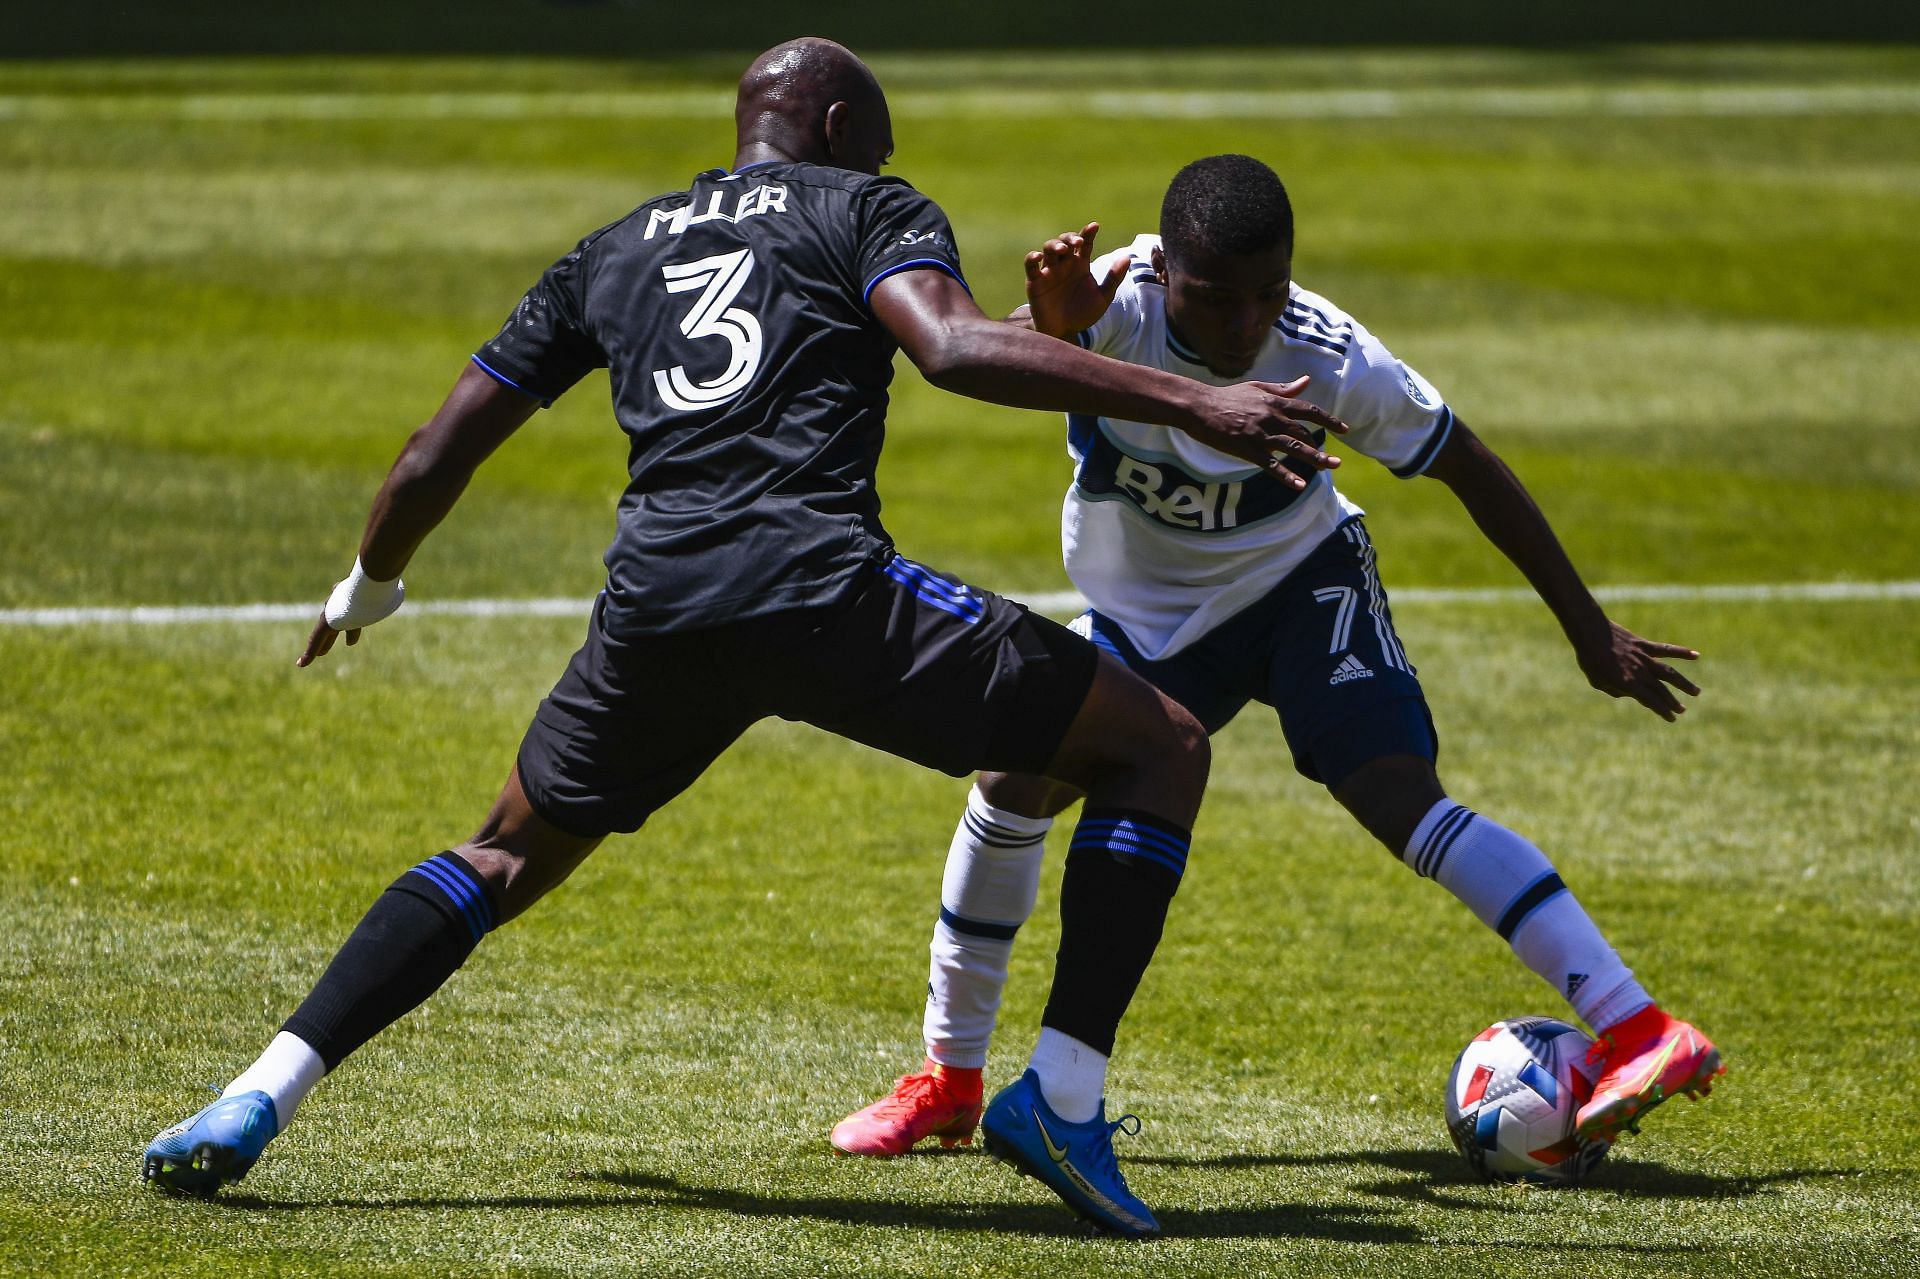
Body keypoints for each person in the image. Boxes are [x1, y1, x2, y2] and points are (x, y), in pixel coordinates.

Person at [140, 48, 1347, 1239]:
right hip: (825, 595)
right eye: (877, 140)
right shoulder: (866, 206)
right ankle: (1064, 1103)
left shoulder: (613, 249)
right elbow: (953, 347)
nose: (885, 161)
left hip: (658, 614)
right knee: (1161, 745)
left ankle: (258, 1094)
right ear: (832, 123)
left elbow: (431, 452)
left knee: (506, 853)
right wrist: (1202, 402)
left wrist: (369, 584)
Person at [832, 155, 1725, 1173]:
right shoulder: (1113, 297)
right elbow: (987, 355)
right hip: (1144, 620)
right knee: (1010, 788)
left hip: (1300, 587)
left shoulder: (1329, 355)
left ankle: (1638, 1025)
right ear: (1167, 272)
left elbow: (1465, 461)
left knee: (1397, 794)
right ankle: (948, 1081)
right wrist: (1053, 325)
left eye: (1270, 292)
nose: (1246, 322)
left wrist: (1586, 629)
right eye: (1218, 298)